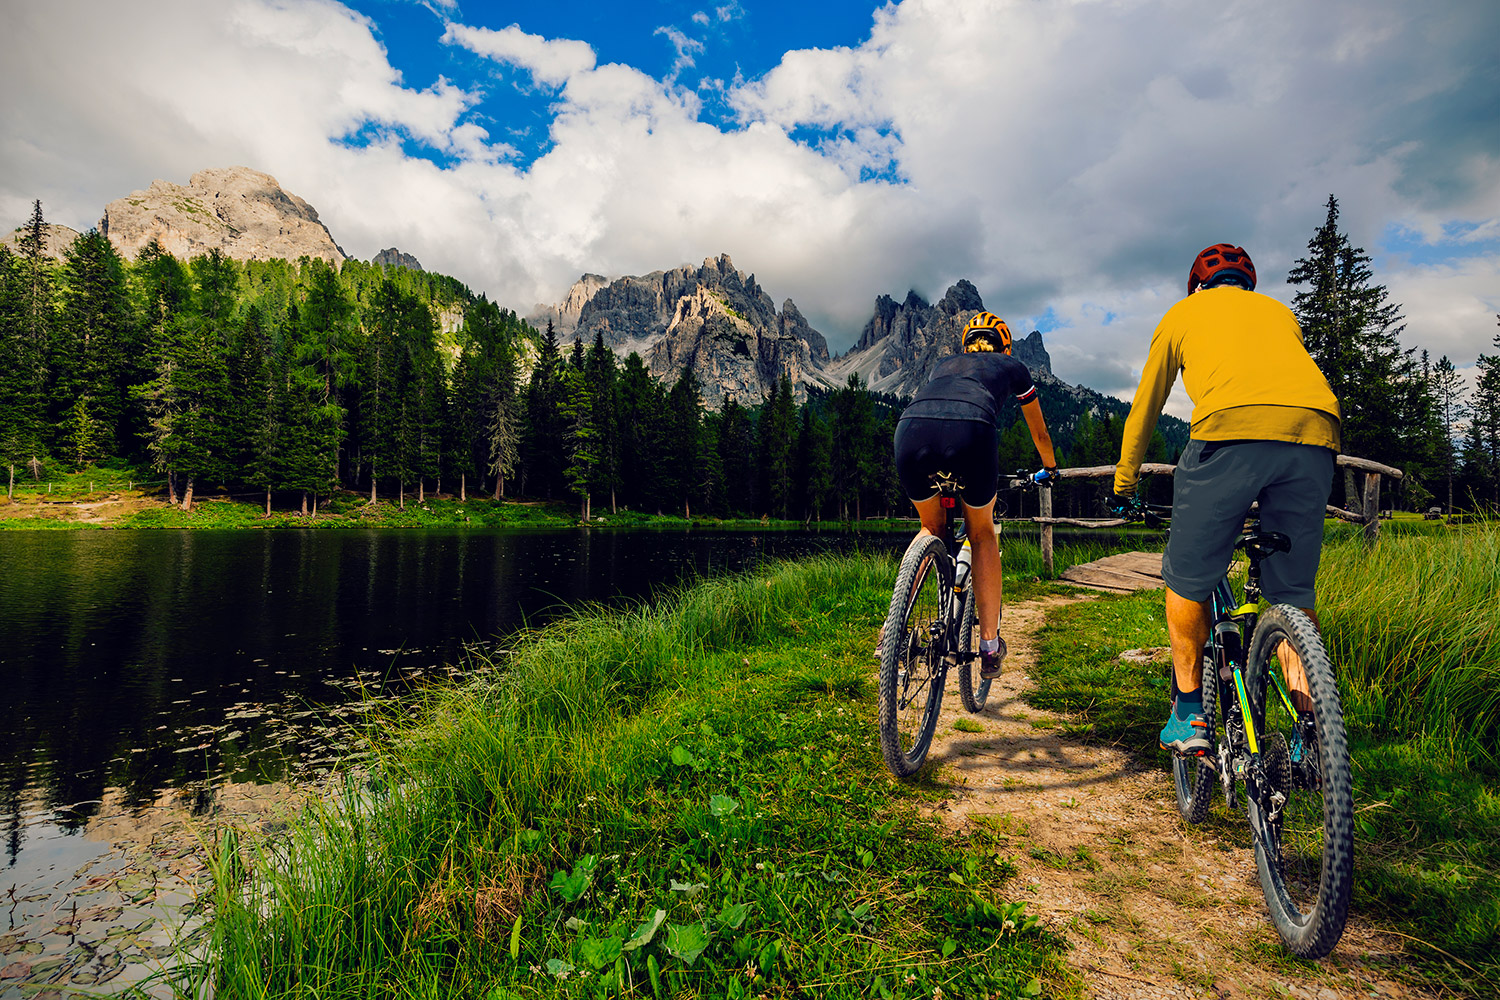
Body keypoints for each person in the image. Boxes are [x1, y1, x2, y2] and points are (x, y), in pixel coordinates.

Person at [1112, 244, 1341, 755]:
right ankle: (1315, 735)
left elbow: (1146, 405)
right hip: (1317, 434)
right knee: (1293, 595)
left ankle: (1190, 713)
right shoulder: (1281, 314)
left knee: (1186, 578)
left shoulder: (1183, 312)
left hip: (1230, 433)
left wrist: (1125, 484)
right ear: (1248, 284)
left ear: (1197, 284)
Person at [893, 311, 1059, 680]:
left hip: (910, 429)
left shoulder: (942, 364)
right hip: (972, 432)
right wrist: (1050, 467)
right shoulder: (1012, 366)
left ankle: (895, 628)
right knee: (981, 533)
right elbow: (1041, 433)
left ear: (966, 344)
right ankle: (988, 647)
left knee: (930, 527)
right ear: (1005, 345)